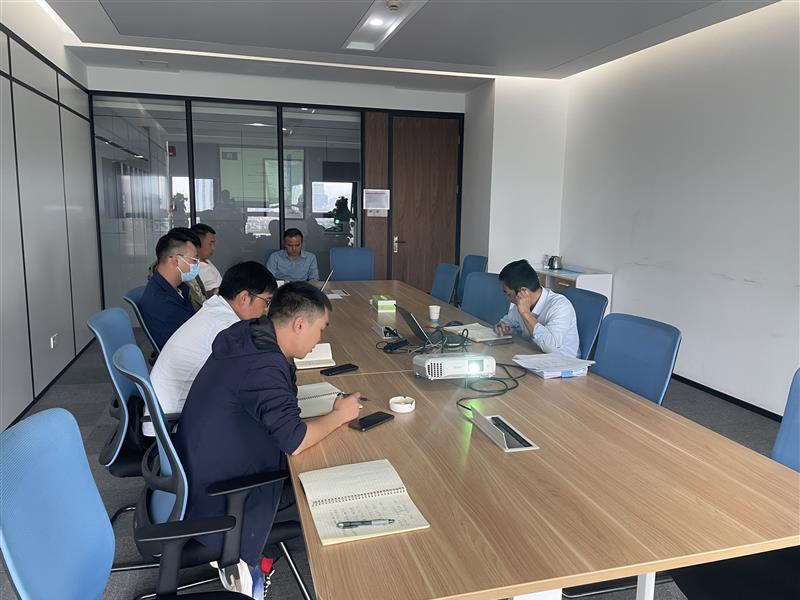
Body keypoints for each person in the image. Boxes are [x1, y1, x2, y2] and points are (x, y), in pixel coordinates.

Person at [175, 282, 360, 593]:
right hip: (224, 496)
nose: (319, 340)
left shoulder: (249, 335)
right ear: (299, 324)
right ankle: (253, 563)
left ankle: (258, 555)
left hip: (206, 465)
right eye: (320, 330)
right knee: (333, 495)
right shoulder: (263, 365)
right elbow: (294, 440)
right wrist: (340, 415)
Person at [144, 262, 277, 436]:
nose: (266, 309)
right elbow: (251, 380)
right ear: (244, 297)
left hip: (167, 413)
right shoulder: (226, 327)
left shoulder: (215, 307)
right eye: (266, 301)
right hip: (171, 425)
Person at [494, 259, 580, 358]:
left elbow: (551, 347)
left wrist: (526, 314)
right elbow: (508, 322)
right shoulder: (521, 304)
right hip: (533, 356)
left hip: (562, 362)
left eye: (508, 294)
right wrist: (502, 327)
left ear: (523, 291)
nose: (508, 299)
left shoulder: (560, 306)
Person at [139, 228, 198, 350]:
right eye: (193, 260)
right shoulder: (160, 302)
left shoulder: (178, 288)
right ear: (176, 260)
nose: (196, 265)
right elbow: (187, 345)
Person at [191, 223, 223, 295]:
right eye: (210, 244)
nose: (213, 248)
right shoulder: (194, 269)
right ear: (197, 243)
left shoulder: (207, 261)